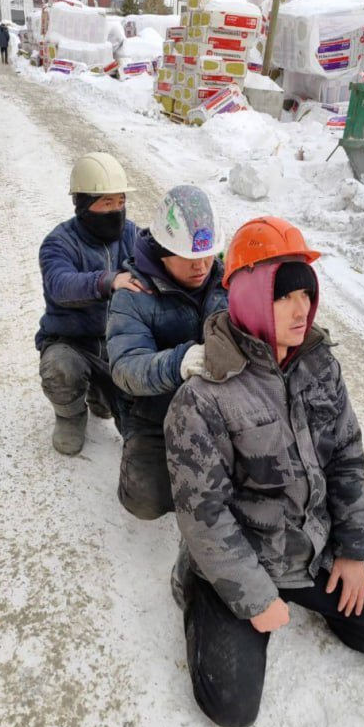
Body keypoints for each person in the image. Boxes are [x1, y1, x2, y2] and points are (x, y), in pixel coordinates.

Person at [164, 217, 364, 727]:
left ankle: (303, 581)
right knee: (232, 708)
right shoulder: (203, 396)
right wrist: (253, 596)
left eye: (306, 294)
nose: (301, 309)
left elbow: (347, 458)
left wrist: (353, 551)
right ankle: (199, 591)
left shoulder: (320, 364)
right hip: (243, 558)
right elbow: (203, 514)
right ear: (248, 296)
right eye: (283, 295)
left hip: (309, 550)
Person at [107, 186, 227, 520]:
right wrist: (179, 363)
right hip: (154, 414)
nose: (202, 266)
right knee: (145, 502)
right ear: (163, 250)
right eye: (189, 258)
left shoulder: (225, 280)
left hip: (218, 413)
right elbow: (126, 366)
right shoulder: (133, 294)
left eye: (208, 255)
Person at [36, 152, 141, 456]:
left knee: (137, 422)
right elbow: (60, 285)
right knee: (60, 369)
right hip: (71, 342)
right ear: (83, 205)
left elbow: (159, 257)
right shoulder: (59, 242)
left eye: (120, 202)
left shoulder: (131, 233)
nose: (116, 210)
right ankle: (70, 415)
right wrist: (107, 281)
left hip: (118, 343)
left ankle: (101, 394)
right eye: (106, 203)